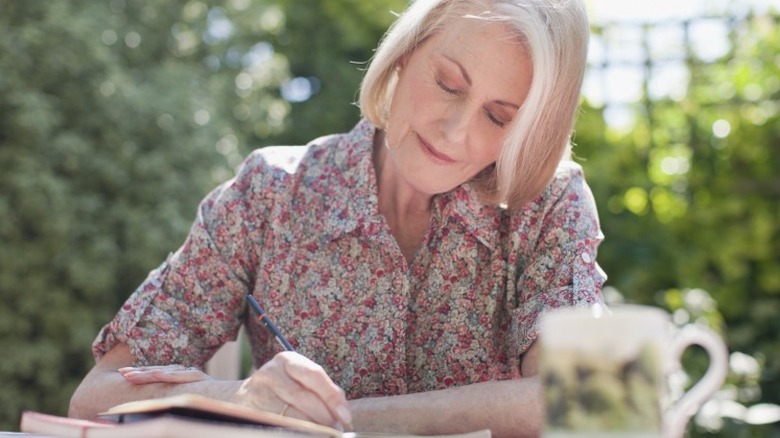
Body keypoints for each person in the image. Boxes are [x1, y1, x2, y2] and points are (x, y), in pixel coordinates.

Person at [69, 0, 605, 436]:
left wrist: (341, 419)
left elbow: (581, 400)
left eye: (498, 117)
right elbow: (96, 397)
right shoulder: (270, 194)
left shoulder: (549, 206)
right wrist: (239, 398)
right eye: (448, 83)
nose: (456, 131)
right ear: (405, 54)